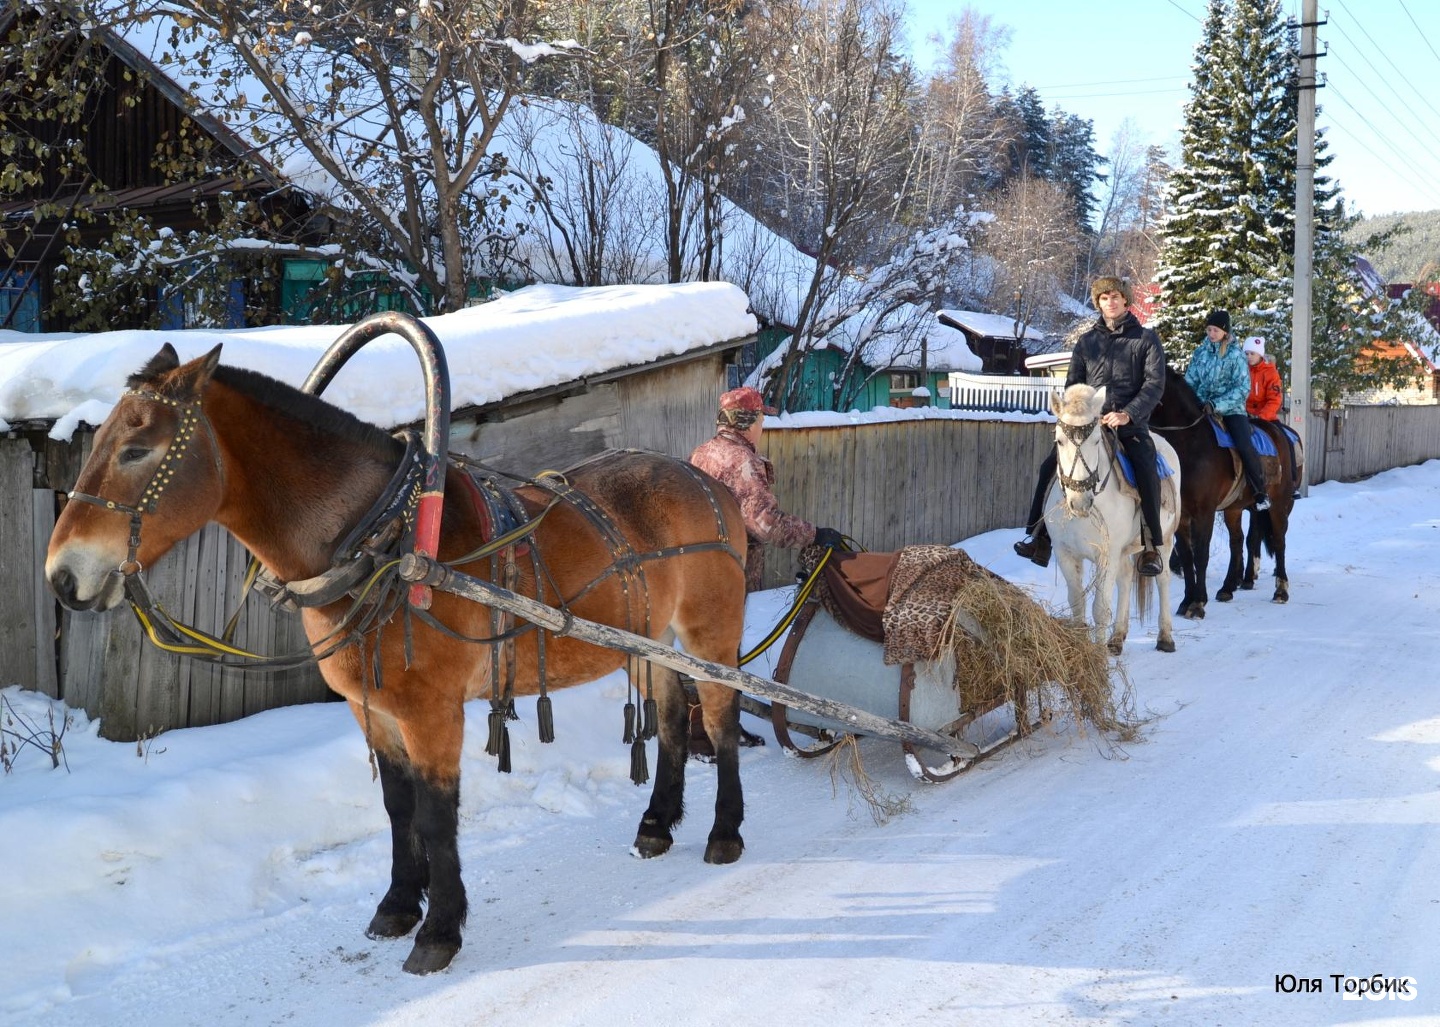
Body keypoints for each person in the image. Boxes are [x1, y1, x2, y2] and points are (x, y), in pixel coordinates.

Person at [1014, 275, 1169, 576]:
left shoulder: (1146, 340)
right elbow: (1073, 384)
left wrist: (1128, 413)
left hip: (1130, 424)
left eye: (1115, 296)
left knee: (1146, 467)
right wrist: (1081, 413)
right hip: (1090, 423)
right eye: (1103, 298)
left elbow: (1155, 384)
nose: (1109, 302)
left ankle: (1151, 546)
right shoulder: (1087, 342)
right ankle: (1039, 536)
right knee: (1050, 466)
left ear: (1125, 300)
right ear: (1098, 303)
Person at [689, 385, 844, 592]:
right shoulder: (742, 462)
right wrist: (815, 535)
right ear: (748, 423)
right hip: (732, 582)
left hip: (702, 574)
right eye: (761, 420)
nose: (762, 425)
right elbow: (765, 524)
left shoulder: (701, 453)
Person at [1186, 311, 1270, 512]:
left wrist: (1217, 405)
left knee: (1243, 443)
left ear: (1225, 332)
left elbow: (1242, 388)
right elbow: (1190, 380)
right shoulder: (1200, 353)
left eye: (1215, 330)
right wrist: (1191, 400)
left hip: (1231, 410)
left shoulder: (1236, 355)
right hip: (1202, 407)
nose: (1211, 333)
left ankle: (1260, 491)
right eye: (1209, 329)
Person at [1243, 335, 1282, 421]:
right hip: (1243, 416)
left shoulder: (1271, 373)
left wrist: (1261, 417)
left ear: (1260, 354)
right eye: (1246, 353)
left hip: (1266, 418)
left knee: (1278, 433)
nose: (1249, 356)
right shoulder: (1241, 371)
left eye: (1252, 353)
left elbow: (1274, 400)